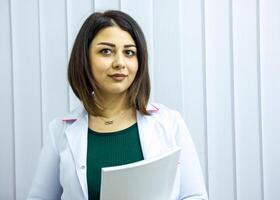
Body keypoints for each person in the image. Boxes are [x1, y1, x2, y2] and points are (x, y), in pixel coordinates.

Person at [27, 10, 208, 200]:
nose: (120, 63)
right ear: (84, 59)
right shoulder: (59, 131)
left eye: (129, 52)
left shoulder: (170, 122)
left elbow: (194, 196)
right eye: (106, 51)